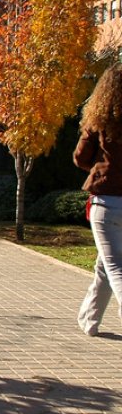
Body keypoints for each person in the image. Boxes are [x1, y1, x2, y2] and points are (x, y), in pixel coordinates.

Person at [74, 62, 122, 336]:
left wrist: (100, 165)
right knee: (106, 263)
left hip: (106, 203)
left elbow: (80, 158)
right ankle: (89, 321)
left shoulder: (99, 120)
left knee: (114, 264)